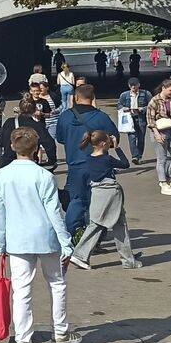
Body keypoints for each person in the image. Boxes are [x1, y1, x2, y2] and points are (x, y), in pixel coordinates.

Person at [0, 128, 79, 343]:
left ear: (12, 146)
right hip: (46, 237)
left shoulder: (0, 176)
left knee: (21, 290)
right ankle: (60, 332)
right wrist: (66, 242)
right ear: (36, 149)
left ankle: (23, 342)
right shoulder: (44, 176)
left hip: (17, 239)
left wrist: (1, 242)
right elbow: (54, 212)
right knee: (57, 283)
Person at [53, 83, 118, 238]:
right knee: (98, 202)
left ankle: (73, 233)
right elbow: (114, 140)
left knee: (76, 200)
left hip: (75, 165)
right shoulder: (102, 117)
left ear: (76, 98)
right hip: (99, 166)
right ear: (93, 97)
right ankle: (96, 236)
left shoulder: (65, 116)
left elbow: (60, 138)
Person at [69, 131, 141, 270]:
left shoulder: (88, 158)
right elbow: (125, 164)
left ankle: (128, 258)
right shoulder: (107, 159)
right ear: (103, 144)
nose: (110, 144)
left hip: (97, 192)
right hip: (109, 193)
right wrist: (117, 147)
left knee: (114, 223)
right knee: (101, 224)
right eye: (108, 142)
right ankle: (80, 255)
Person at [0, 98, 58, 170]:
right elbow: (50, 144)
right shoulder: (37, 126)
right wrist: (52, 160)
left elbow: (0, 141)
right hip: (29, 162)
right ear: (34, 110)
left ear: (20, 108)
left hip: (7, 163)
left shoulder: (9, 122)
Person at [117, 78, 149, 164]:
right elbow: (119, 105)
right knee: (132, 138)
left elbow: (151, 105)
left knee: (141, 138)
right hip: (130, 118)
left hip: (141, 118)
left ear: (139, 85)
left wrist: (142, 109)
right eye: (132, 86)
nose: (133, 87)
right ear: (129, 86)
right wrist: (124, 108)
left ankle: (139, 155)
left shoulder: (145, 94)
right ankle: (135, 156)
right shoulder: (124, 95)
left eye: (135, 85)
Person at [27, 73, 58, 139]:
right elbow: (23, 113)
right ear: (30, 91)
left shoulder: (44, 101)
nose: (36, 93)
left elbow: (48, 115)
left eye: (37, 91)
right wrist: (32, 113)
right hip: (30, 128)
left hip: (42, 127)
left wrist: (41, 114)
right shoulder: (27, 102)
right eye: (34, 91)